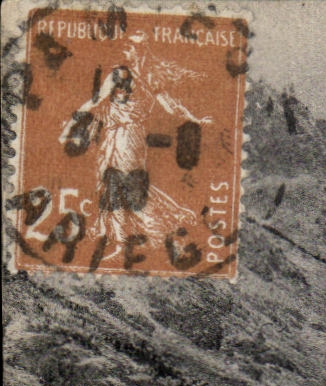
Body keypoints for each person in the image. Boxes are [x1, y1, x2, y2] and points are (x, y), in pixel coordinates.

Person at [57, 32, 212, 247]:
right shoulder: (121, 74)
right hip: (121, 135)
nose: (126, 50)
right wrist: (73, 120)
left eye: (131, 47)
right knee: (116, 180)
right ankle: (109, 228)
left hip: (126, 137)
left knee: (118, 180)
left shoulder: (143, 78)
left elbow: (170, 105)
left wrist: (194, 118)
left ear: (140, 51)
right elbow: (97, 100)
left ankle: (120, 235)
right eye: (127, 46)